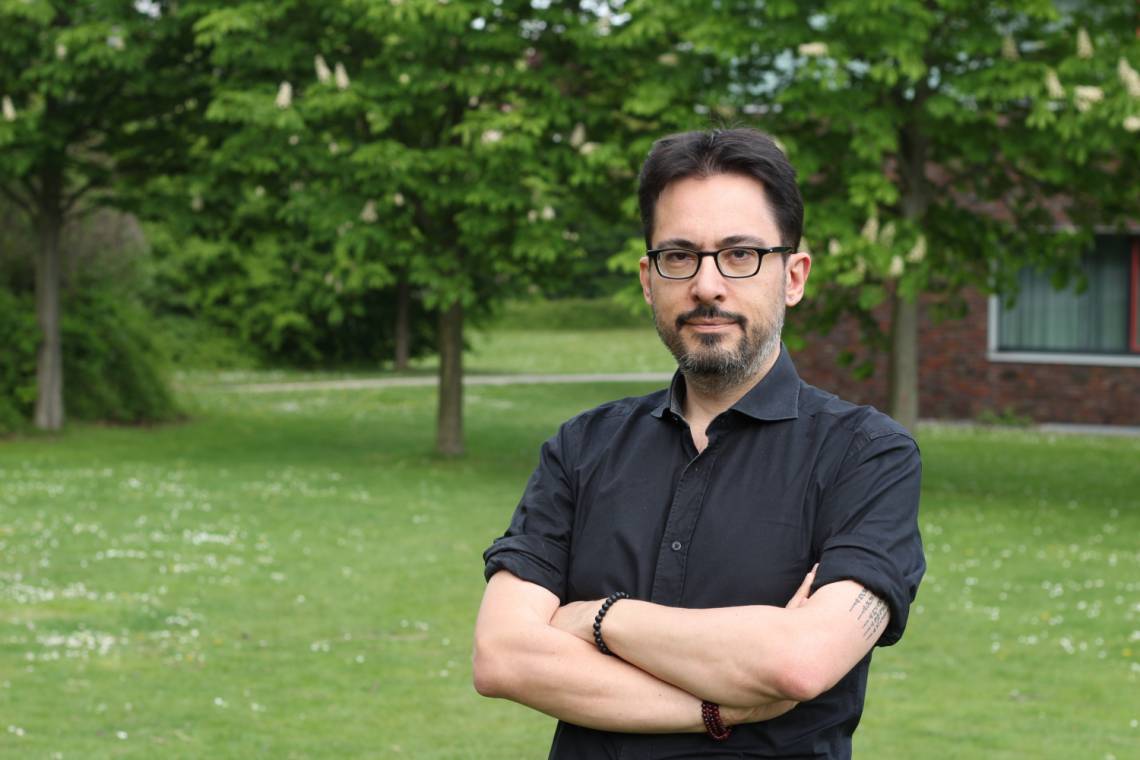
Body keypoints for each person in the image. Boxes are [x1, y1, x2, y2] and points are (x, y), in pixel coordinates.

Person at [472, 128, 925, 759]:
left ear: (793, 276)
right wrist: (718, 707)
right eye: (679, 256)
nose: (707, 285)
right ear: (647, 279)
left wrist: (599, 619)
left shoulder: (867, 454)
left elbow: (800, 662)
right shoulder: (583, 446)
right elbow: (502, 657)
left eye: (740, 255)